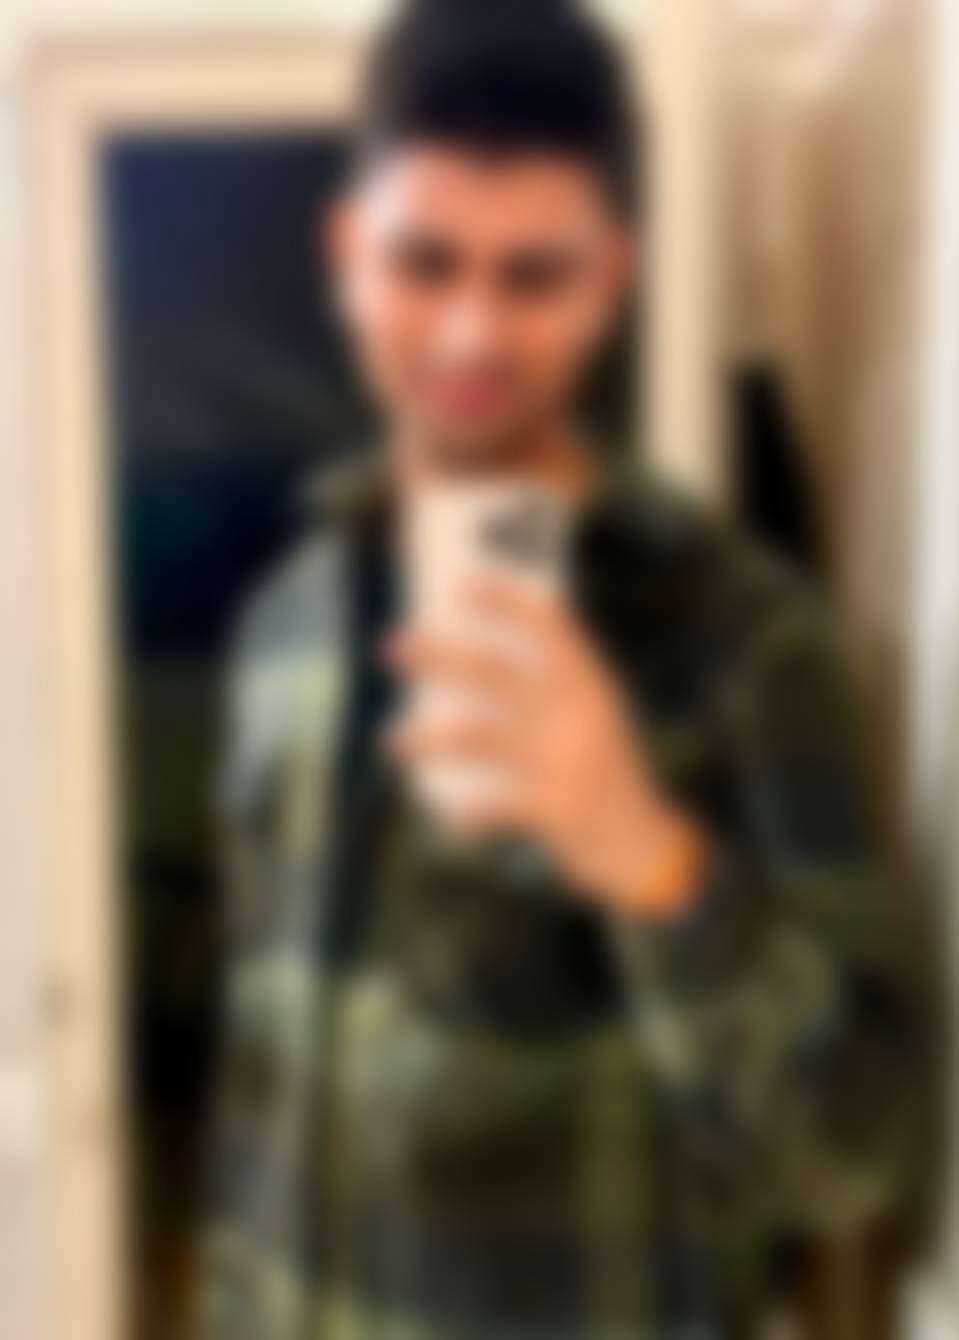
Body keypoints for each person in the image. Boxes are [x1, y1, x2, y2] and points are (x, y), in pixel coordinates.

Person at [204, 1, 917, 1335]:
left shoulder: (751, 643)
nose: (473, 335)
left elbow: (852, 1163)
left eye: (534, 275)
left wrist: (641, 849)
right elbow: (266, 1088)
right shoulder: (280, 629)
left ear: (611, 277)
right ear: (347, 254)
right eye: (424, 262)